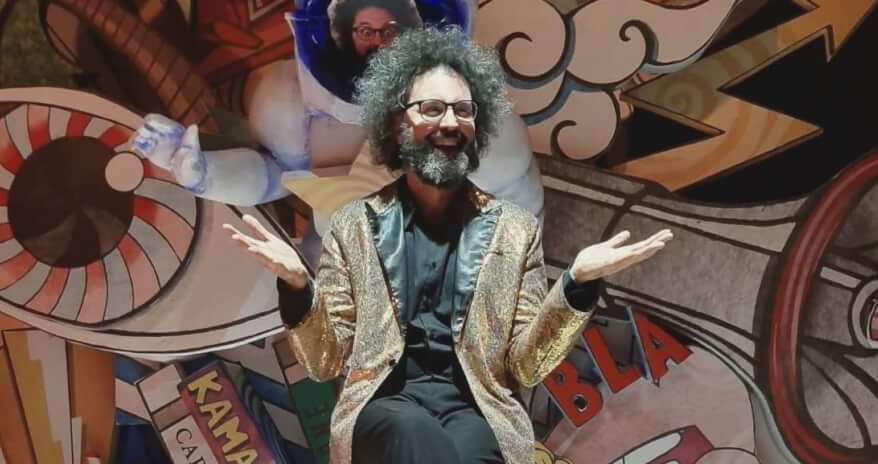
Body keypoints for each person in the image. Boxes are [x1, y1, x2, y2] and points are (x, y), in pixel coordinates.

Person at [223, 27, 673, 464]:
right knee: (411, 428)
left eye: (463, 110)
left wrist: (577, 285)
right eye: (432, 109)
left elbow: (528, 364)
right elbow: (325, 359)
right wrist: (297, 288)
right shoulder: (354, 225)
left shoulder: (514, 230)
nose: (449, 123)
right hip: (385, 407)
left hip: (477, 412)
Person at [320, 0, 423, 101]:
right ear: (347, 35)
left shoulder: (420, 84)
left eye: (388, 32)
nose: (378, 42)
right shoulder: (331, 84)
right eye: (366, 32)